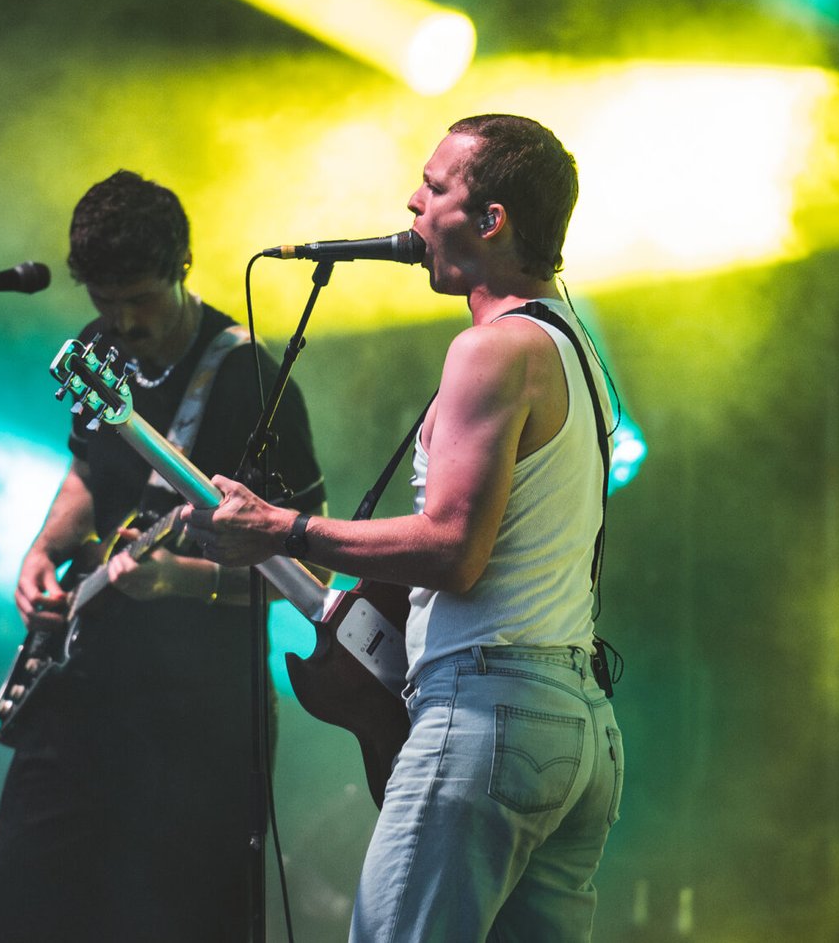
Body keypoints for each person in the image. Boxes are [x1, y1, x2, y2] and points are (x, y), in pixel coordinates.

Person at [183, 115, 625, 941]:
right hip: (577, 724)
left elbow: (453, 550)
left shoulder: (492, 350)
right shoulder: (574, 352)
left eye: (434, 186)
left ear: (491, 220)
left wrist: (283, 527)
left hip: (488, 714)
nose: (411, 204)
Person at [0, 170, 325, 941]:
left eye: (141, 298)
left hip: (197, 723)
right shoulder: (98, 349)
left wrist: (180, 580)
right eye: (106, 300)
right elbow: (88, 468)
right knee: (16, 899)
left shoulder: (251, 380)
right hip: (83, 689)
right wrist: (43, 549)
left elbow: (311, 574)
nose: (124, 321)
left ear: (182, 266)